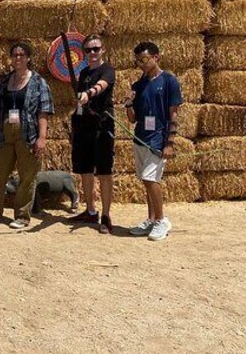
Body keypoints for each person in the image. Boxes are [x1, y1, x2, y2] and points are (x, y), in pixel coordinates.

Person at [0, 42, 53, 228]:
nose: (18, 58)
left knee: (27, 176)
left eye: (22, 55)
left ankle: (22, 216)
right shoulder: (5, 82)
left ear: (28, 58)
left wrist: (42, 137)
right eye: (14, 54)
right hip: (5, 131)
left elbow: (44, 111)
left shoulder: (38, 82)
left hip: (28, 133)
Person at [126, 41, 182, 242]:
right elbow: (133, 119)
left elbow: (173, 114)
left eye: (144, 60)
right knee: (145, 180)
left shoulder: (169, 81)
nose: (141, 64)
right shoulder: (138, 85)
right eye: (138, 61)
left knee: (151, 179)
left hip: (157, 138)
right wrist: (129, 103)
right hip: (141, 137)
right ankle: (150, 219)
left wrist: (170, 142)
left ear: (156, 57)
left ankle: (161, 220)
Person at [68, 35, 116, 234]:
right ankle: (90, 210)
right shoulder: (84, 73)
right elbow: (80, 100)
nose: (93, 53)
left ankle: (105, 215)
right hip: (84, 125)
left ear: (102, 49)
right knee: (85, 169)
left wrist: (89, 93)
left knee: (104, 171)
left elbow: (102, 85)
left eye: (96, 49)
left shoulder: (108, 70)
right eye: (88, 50)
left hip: (102, 125)